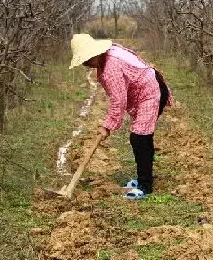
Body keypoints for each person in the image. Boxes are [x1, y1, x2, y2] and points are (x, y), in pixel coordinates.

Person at [69, 33, 167, 199]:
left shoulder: (110, 68)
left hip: (150, 92)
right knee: (141, 138)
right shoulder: (109, 53)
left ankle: (145, 185)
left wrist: (107, 126)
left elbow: (118, 101)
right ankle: (144, 178)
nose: (86, 65)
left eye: (86, 60)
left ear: (94, 53)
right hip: (150, 86)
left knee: (140, 138)